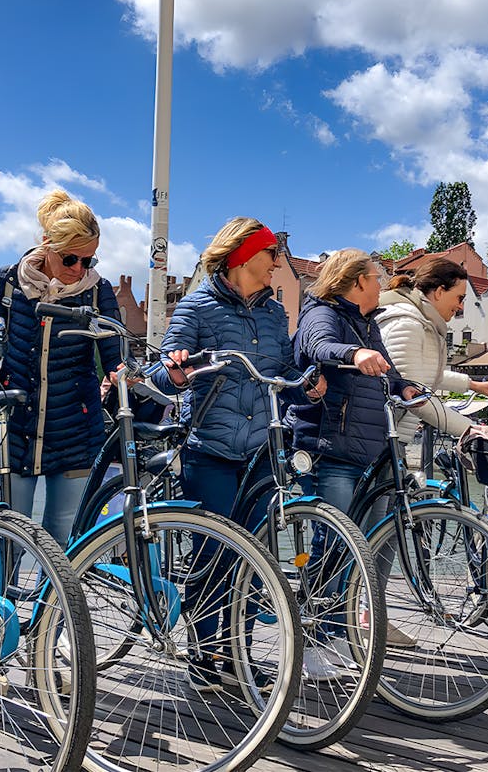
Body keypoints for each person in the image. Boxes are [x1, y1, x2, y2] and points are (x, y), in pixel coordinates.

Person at [152, 217, 323, 692]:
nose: (276, 263)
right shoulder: (196, 308)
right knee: (212, 558)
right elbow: (164, 374)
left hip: (260, 454)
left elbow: (285, 370)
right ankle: (206, 658)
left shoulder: (273, 313)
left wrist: (306, 385)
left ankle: (239, 657)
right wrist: (179, 372)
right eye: (271, 255)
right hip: (211, 447)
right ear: (245, 257)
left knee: (253, 560)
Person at [0, 189, 122, 548]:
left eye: (89, 261)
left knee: (63, 540)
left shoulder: (98, 294)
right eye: (71, 259)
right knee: (7, 536)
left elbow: (116, 357)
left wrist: (125, 372)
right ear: (47, 244)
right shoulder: (8, 284)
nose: (80, 270)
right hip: (12, 428)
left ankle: (52, 607)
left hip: (76, 430)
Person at [286, 249, 420, 659]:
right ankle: (313, 642)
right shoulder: (321, 313)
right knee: (334, 544)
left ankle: (340, 632)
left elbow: (389, 371)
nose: (381, 286)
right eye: (377, 279)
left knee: (359, 547)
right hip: (332, 447)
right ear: (358, 281)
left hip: (368, 449)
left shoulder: (366, 324)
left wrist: (404, 388)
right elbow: (318, 346)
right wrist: (353, 354)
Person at [376, 258, 488, 452]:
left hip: (390, 434)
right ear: (439, 292)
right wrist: (472, 430)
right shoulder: (407, 325)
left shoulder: (425, 324)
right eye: (459, 298)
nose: (461, 306)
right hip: (379, 437)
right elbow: (414, 397)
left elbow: (423, 375)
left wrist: (474, 386)